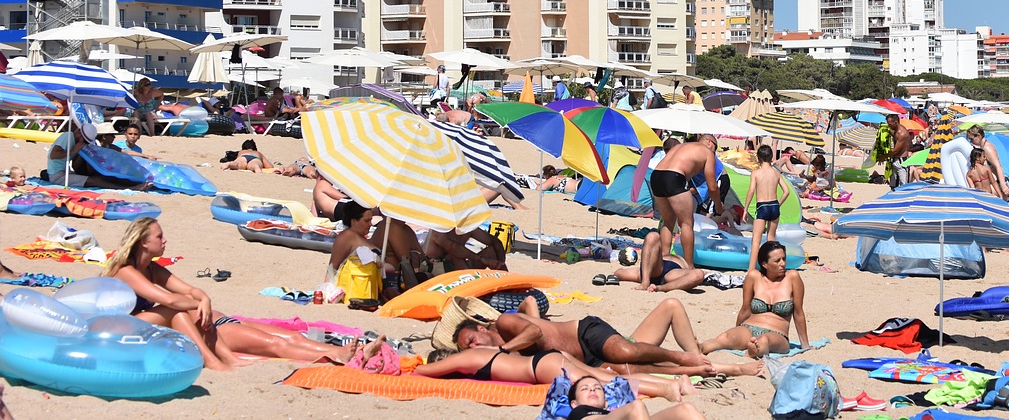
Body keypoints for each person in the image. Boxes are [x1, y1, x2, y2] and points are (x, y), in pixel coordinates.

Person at [105, 217, 355, 371]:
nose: (165, 240)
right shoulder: (126, 271)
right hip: (133, 329)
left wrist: (203, 299)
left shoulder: (152, 269)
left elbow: (191, 290)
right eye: (160, 236)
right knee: (278, 344)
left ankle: (333, 352)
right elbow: (169, 300)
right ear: (143, 243)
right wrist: (197, 303)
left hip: (213, 321)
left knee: (290, 336)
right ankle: (330, 355)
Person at [451, 297, 760, 377]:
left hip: (586, 331)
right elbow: (531, 310)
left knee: (624, 351)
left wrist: (505, 347)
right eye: (470, 349)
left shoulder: (505, 327)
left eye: (471, 341)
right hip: (591, 359)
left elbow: (533, 330)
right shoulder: (505, 356)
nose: (475, 348)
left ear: (481, 329)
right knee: (623, 371)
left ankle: (682, 356)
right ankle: (705, 369)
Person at [411, 348, 693, 404]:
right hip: (545, 360)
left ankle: (667, 391)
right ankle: (671, 383)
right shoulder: (481, 352)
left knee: (606, 382)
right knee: (603, 376)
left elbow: (423, 370)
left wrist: (417, 364)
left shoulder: (465, 359)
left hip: (540, 368)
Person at [698, 242, 809, 358]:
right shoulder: (754, 277)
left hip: (777, 333)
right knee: (725, 338)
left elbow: (798, 313)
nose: (783, 264)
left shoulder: (792, 277)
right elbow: (745, 309)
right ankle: (699, 348)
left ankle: (754, 351)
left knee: (764, 341)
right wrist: (737, 330)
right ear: (765, 264)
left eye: (784, 259)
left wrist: (805, 345)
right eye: (777, 261)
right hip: (748, 328)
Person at [651, 135, 722, 271]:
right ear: (708, 142)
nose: (715, 152)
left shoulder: (680, 146)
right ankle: (689, 266)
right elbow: (712, 186)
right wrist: (718, 204)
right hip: (674, 176)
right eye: (715, 147)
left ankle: (664, 257)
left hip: (656, 175)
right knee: (686, 224)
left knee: (668, 221)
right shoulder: (707, 153)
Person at [565, 374, 706, 420]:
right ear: (574, 403)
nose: (592, 390)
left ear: (606, 401)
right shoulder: (577, 413)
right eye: (585, 389)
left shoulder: (615, 412)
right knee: (636, 406)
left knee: (686, 409)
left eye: (597, 388)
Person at [612, 231, 704, 293]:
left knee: (653, 236)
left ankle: (650, 284)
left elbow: (618, 273)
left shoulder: (643, 270)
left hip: (651, 271)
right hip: (667, 271)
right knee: (698, 274)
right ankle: (651, 284)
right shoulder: (678, 259)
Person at [329, 199, 387, 296]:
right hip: (356, 290)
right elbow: (332, 267)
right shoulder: (347, 237)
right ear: (354, 221)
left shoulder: (360, 238)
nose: (370, 224)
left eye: (371, 220)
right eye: (366, 220)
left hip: (370, 290)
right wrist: (328, 291)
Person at [745, 145, 789, 272]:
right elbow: (786, 191)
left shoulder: (756, 173)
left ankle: (751, 270)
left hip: (763, 206)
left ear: (758, 158)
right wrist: (778, 204)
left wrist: (745, 209)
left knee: (756, 241)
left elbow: (751, 191)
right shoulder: (776, 173)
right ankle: (772, 269)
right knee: (771, 239)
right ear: (771, 158)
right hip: (774, 205)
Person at [425, 227, 507, 271]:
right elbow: (454, 249)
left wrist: (500, 261)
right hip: (435, 267)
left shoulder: (466, 227)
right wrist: (481, 259)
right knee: (455, 256)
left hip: (460, 267)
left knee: (491, 252)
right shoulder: (438, 229)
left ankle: (508, 286)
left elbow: (494, 241)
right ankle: (471, 288)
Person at [885, 114, 915, 190]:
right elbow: (891, 133)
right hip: (895, 160)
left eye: (890, 124)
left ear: (895, 122)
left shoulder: (902, 133)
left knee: (903, 185)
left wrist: (883, 157)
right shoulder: (895, 131)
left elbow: (895, 150)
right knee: (893, 185)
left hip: (902, 161)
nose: (889, 126)